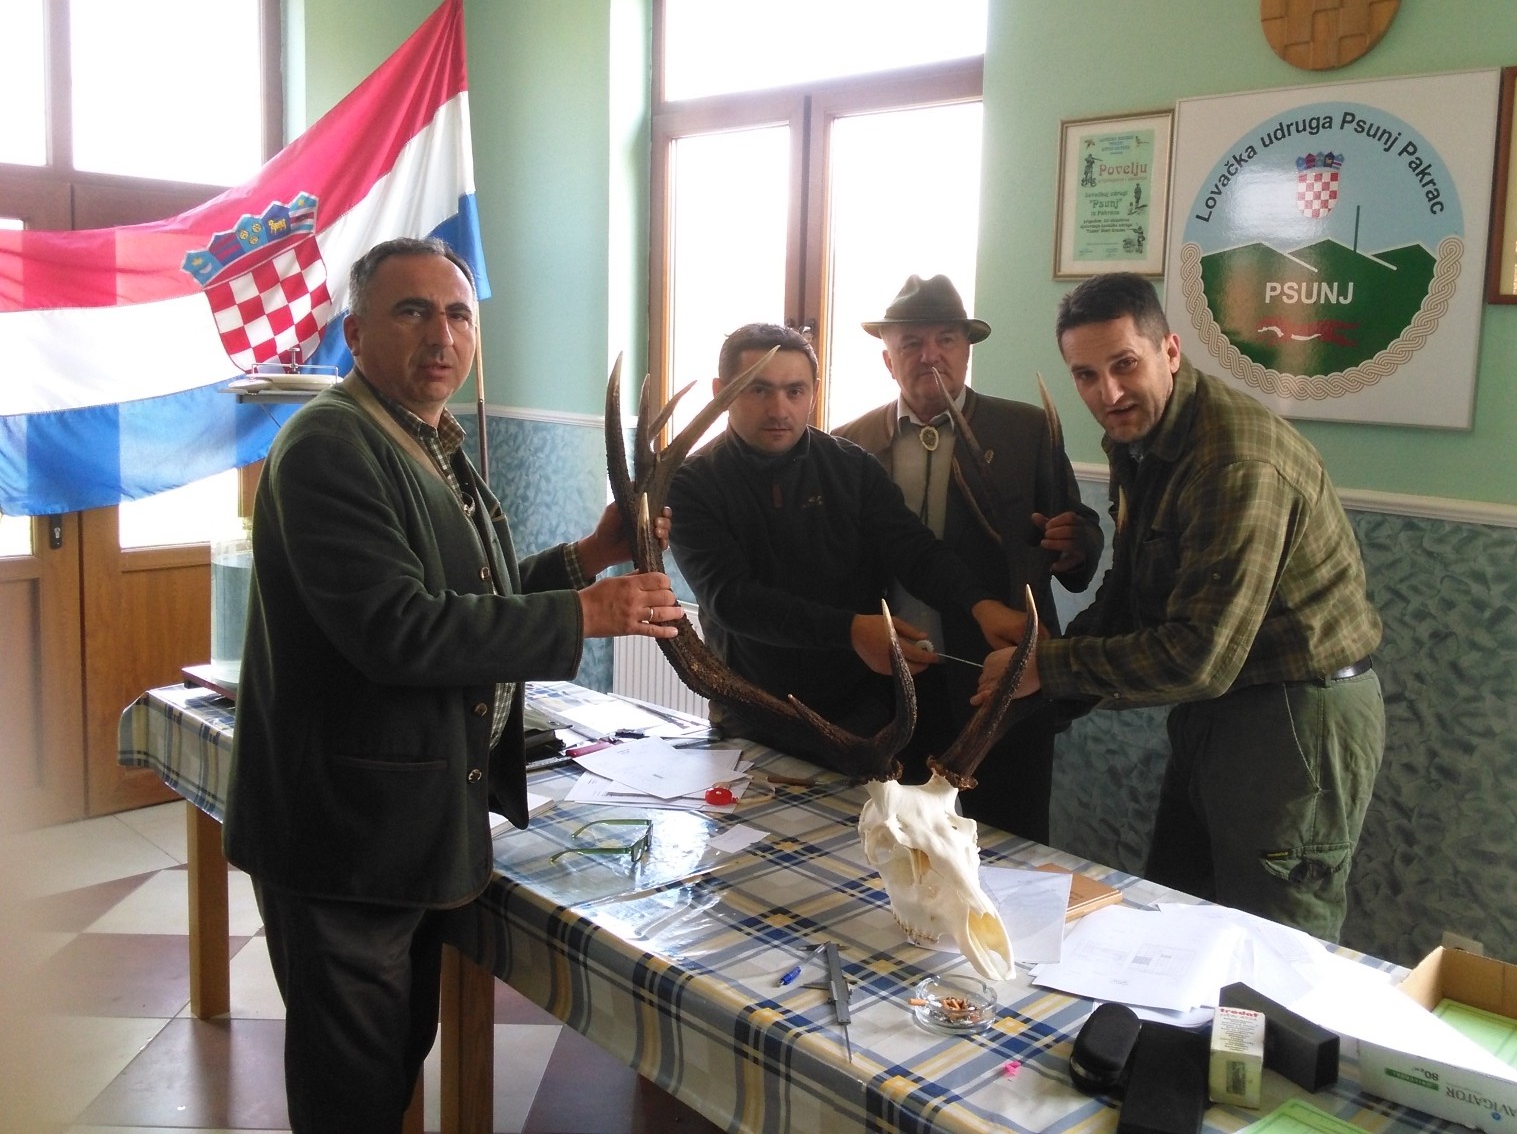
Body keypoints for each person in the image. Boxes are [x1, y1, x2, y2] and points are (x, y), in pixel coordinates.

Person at [222, 237, 684, 1134]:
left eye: (459, 314)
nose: (442, 334)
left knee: (390, 1058)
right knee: (351, 1090)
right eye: (413, 311)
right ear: (356, 332)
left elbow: (468, 596)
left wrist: (590, 556)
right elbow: (400, 630)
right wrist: (584, 613)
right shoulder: (331, 445)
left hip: (408, 826)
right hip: (346, 839)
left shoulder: (423, 436)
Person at [975, 273, 1384, 941]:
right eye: (1085, 375)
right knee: (1182, 920)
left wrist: (1048, 668)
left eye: (1124, 365)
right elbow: (1131, 591)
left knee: (1273, 946)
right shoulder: (1141, 438)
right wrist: (1038, 688)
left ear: (1169, 351)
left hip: (1296, 719)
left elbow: (1199, 657)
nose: (1108, 393)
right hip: (1217, 710)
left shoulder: (1234, 461)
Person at [667, 322, 1025, 771]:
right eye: (759, 390)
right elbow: (732, 599)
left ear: (813, 393)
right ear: (721, 392)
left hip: (862, 715)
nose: (779, 409)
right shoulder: (690, 484)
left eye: (795, 391)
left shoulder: (851, 466)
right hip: (753, 716)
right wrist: (851, 631)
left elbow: (913, 550)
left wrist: (980, 605)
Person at [830, 275, 1103, 841]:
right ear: (888, 360)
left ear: (966, 351)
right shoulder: (848, 444)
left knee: (1009, 848)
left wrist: (1078, 544)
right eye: (911, 343)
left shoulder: (1028, 430)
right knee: (897, 847)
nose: (930, 355)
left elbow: (1075, 544)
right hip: (890, 691)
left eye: (946, 340)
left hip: (1002, 690)